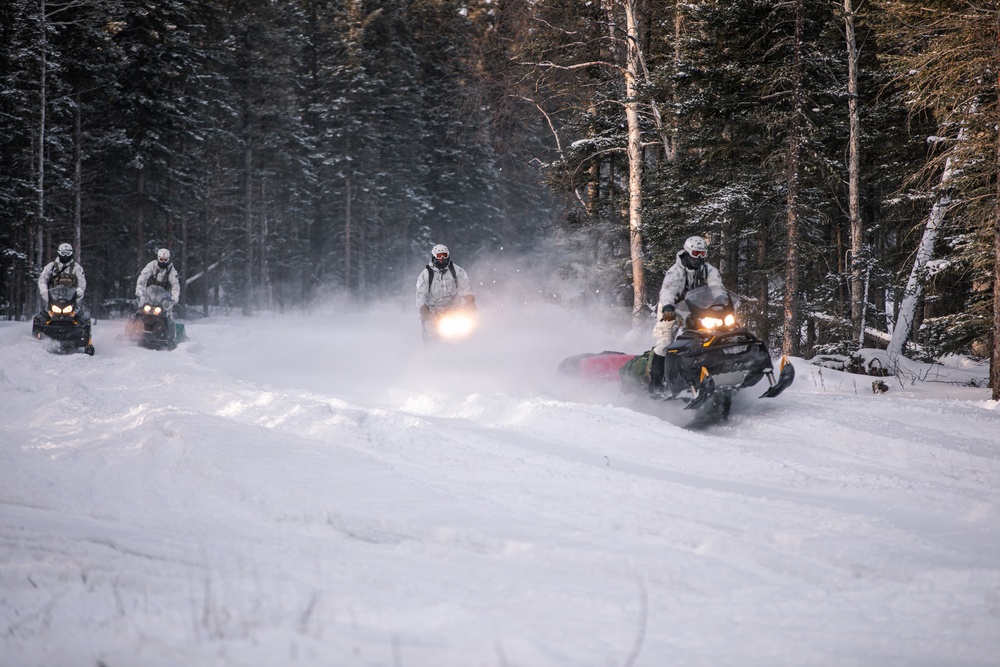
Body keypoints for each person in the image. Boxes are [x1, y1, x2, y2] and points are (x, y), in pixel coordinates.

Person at [650, 235, 724, 394]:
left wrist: (721, 300)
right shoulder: (675, 272)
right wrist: (668, 307)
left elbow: (716, 285)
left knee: (717, 334)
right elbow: (668, 290)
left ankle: (720, 371)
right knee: (665, 343)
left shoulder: (708, 270)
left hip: (699, 309)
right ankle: (655, 385)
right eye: (696, 254)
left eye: (703, 254)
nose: (699, 258)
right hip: (673, 309)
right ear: (688, 252)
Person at [415, 243, 475, 340]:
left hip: (455, 309)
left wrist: (470, 299)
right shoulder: (426, 274)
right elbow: (420, 294)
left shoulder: (457, 270)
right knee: (431, 332)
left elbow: (466, 286)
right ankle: (431, 349)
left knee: (468, 330)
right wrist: (423, 309)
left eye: (444, 255)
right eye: (439, 256)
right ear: (434, 257)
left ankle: (470, 348)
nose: (442, 258)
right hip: (434, 311)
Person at [136, 248, 181, 345]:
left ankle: (170, 337)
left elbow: (175, 285)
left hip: (164, 298)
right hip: (149, 295)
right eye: (161, 259)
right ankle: (131, 331)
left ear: (168, 259)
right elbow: (142, 278)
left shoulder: (172, 271)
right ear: (158, 258)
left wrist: (174, 297)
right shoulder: (151, 266)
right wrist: (140, 290)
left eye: (165, 260)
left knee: (168, 315)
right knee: (139, 311)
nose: (163, 262)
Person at [38, 242, 88, 319]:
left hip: (71, 296)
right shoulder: (51, 266)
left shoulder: (77, 267)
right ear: (59, 253)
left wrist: (80, 289)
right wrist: (43, 288)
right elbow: (43, 278)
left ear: (71, 254)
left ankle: (75, 312)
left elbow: (81, 281)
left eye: (67, 253)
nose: (65, 256)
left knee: (80, 295)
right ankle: (48, 310)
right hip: (54, 295)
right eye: (63, 253)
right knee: (43, 296)